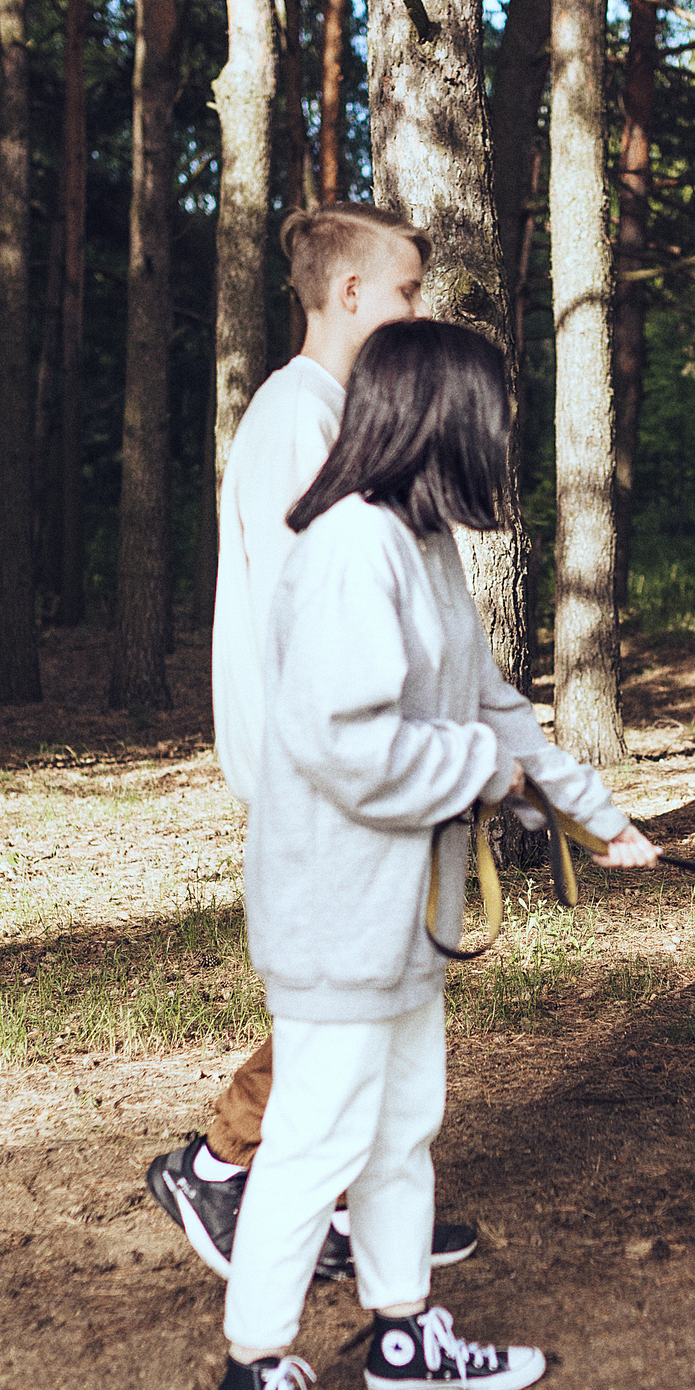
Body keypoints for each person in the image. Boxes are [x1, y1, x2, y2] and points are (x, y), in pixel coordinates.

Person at [200, 320, 658, 1390]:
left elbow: (491, 704)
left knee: (402, 1128)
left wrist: (594, 814)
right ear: (435, 417)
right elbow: (346, 744)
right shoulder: (350, 545)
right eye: (488, 415)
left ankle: (404, 1330)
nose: (497, 437)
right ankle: (250, 1379)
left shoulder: (422, 541)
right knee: (314, 1142)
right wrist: (484, 777)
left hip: (407, 909)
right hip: (334, 911)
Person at [145, 202, 472, 1282]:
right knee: (351, 994)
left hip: (354, 760)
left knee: (377, 987)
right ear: (348, 297)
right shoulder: (300, 416)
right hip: (320, 763)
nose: (420, 311)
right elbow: (319, 616)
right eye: (408, 293)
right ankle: (219, 1163)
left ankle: (357, 1201)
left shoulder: (336, 410)